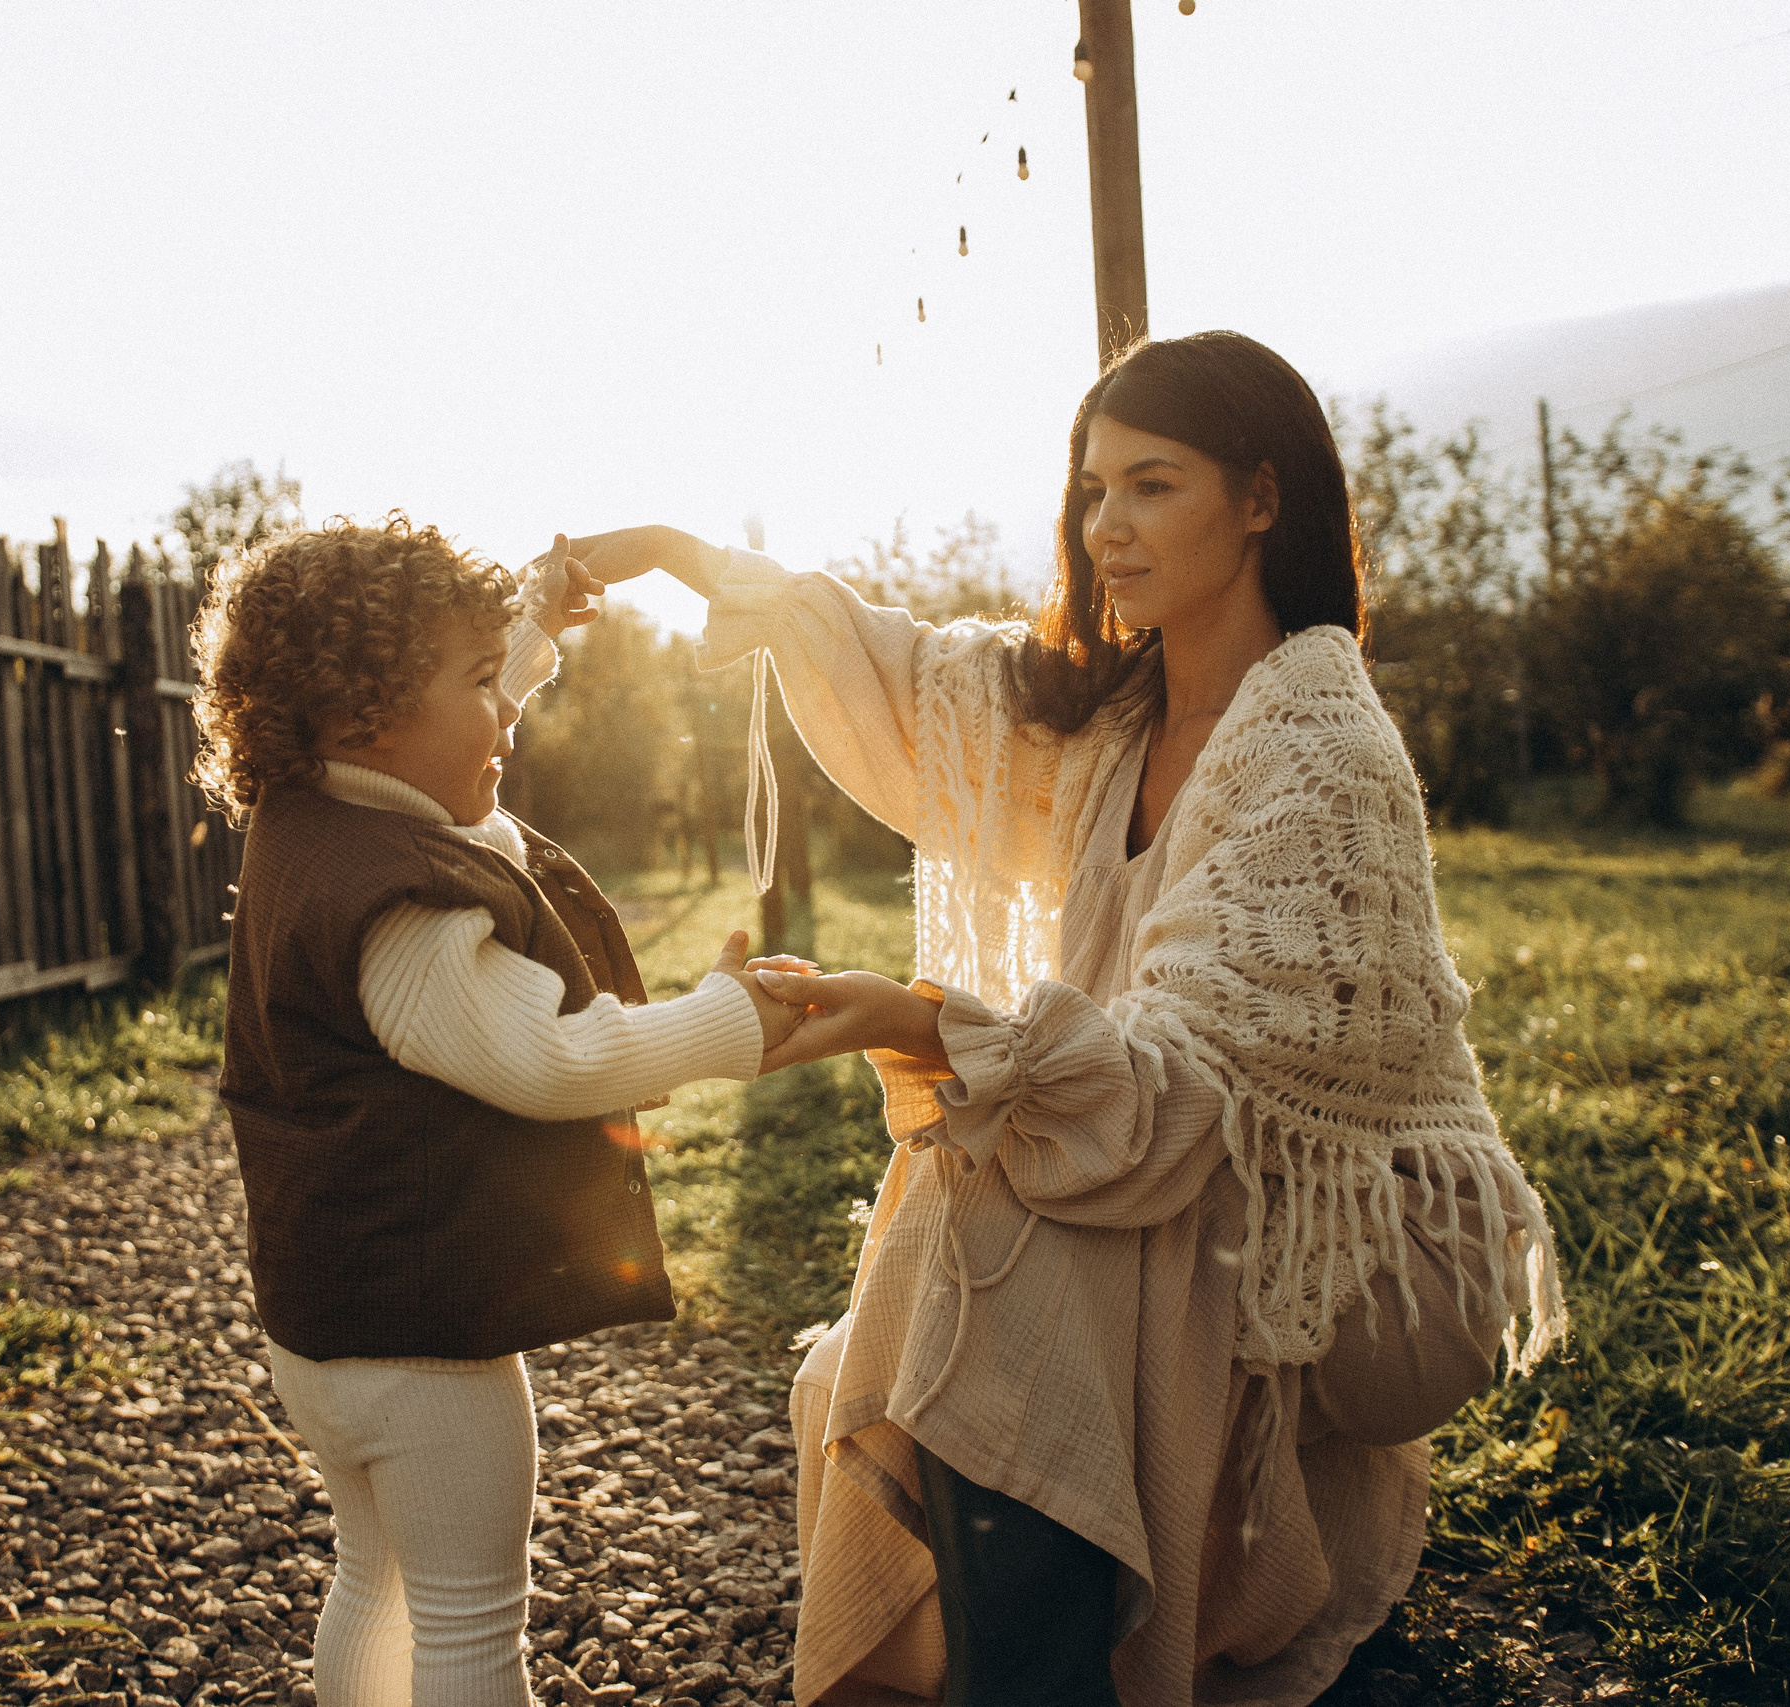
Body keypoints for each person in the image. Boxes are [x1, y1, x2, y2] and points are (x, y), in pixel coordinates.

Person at [572, 331, 1567, 1707]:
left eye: (1151, 485)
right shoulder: (1115, 716)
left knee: (1005, 1234)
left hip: (1366, 1251)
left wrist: (914, 1020)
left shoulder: (1321, 751)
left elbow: (1176, 1100)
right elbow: (924, 683)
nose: (1107, 526)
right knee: (974, 1200)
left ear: (1261, 499)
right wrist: (694, 555)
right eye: (1093, 490)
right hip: (1201, 1166)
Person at [198, 517, 807, 1707]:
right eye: (480, 683)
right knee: (476, 1628)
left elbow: (443, 753)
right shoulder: (406, 907)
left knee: (374, 1578)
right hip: (426, 1347)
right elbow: (552, 1058)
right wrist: (729, 1021)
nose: (509, 712)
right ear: (359, 708)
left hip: (326, 1323)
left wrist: (517, 642)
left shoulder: (319, 814)